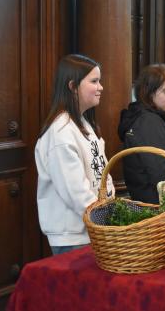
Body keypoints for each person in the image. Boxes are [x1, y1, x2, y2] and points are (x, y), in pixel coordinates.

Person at [35, 54, 115, 255]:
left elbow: (103, 173)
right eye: (94, 81)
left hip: (94, 228)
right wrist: (105, 219)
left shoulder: (83, 123)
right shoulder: (61, 131)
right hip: (73, 235)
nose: (101, 87)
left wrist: (111, 209)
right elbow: (75, 193)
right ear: (72, 86)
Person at [117, 64, 165, 204]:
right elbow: (164, 176)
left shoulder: (153, 118)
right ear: (149, 93)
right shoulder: (148, 122)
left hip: (162, 203)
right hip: (158, 207)